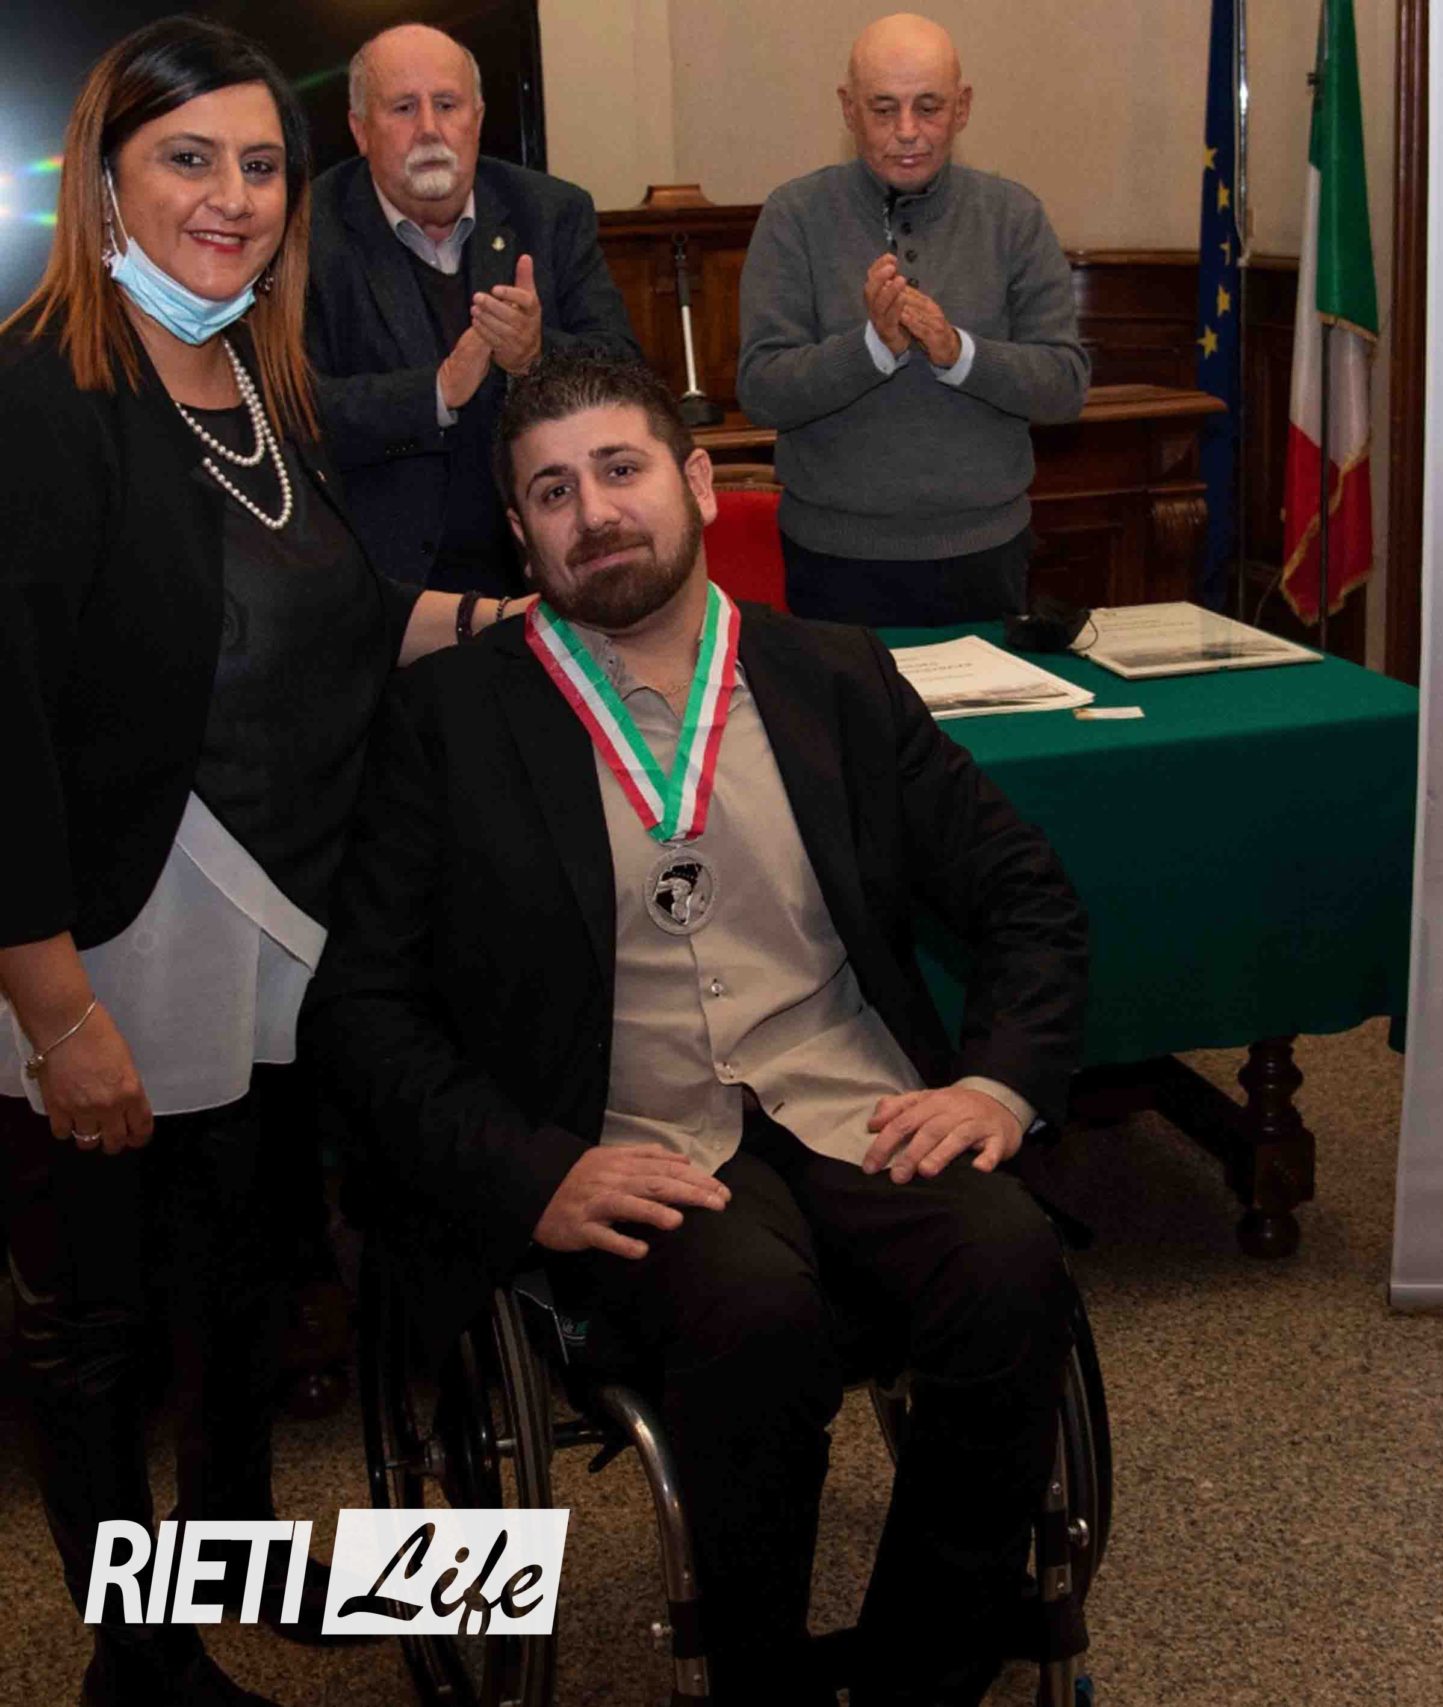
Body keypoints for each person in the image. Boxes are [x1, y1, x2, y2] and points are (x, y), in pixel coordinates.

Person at [301, 352, 1091, 1706]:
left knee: (1014, 1264)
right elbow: (365, 1008)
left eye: (621, 470)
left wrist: (998, 1086)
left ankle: (925, 1665)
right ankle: (757, 1682)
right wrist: (533, 1171)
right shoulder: (447, 721)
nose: (594, 512)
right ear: (521, 536)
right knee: (752, 1315)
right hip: (624, 1135)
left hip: (851, 1098)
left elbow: (1025, 895)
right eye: (553, 492)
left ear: (699, 483)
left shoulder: (833, 675)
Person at [0, 19, 525, 1706]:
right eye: (186, 159)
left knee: (239, 1281)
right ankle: (137, 1660)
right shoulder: (37, 395)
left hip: (282, 911)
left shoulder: (252, 375)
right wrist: (54, 1011)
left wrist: (514, 625)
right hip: (116, 932)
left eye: (258, 166)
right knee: (101, 1323)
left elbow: (342, 618)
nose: (230, 198)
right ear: (104, 182)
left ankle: (223, 1554)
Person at [737, 12, 1090, 628]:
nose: (907, 132)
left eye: (928, 107)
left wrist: (960, 354)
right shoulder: (794, 215)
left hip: (985, 552)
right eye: (883, 109)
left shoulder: (1013, 216)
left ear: (963, 107)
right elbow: (762, 389)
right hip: (833, 558)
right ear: (848, 110)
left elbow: (1064, 385)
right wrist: (872, 349)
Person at [305, 22, 640, 595]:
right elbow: (295, 411)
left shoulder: (550, 212)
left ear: (477, 120)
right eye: (403, 108)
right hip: (386, 581)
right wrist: (436, 393)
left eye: (447, 105)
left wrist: (536, 355)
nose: (429, 129)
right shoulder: (308, 233)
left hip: (547, 562)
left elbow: (627, 376)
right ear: (360, 130)